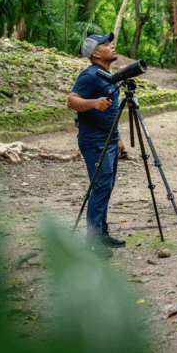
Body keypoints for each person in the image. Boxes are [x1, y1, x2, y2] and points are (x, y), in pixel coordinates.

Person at [67, 32, 126, 259]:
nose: (111, 46)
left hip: (109, 139)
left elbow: (111, 112)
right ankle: (92, 242)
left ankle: (101, 234)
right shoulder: (90, 75)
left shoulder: (105, 74)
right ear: (94, 53)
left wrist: (118, 137)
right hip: (94, 140)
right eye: (105, 44)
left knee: (106, 186)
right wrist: (93, 103)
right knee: (100, 186)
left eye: (110, 43)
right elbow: (72, 100)